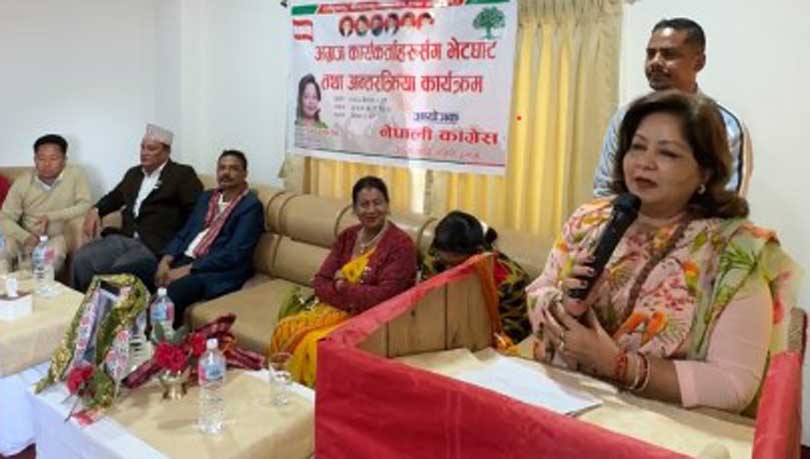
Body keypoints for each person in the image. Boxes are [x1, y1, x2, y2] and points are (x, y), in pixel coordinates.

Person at [528, 90, 798, 414]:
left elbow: (734, 384)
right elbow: (539, 291)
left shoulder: (734, 253)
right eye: (637, 147)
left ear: (705, 172)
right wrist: (565, 306)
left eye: (667, 153)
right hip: (562, 405)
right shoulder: (590, 220)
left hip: (662, 427)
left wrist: (618, 365)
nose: (644, 162)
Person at [270, 176, 417, 386]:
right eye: (364, 204)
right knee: (285, 328)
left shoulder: (401, 245)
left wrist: (342, 286)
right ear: (354, 209)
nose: (371, 210)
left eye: (377, 203)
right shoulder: (348, 236)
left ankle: (313, 401)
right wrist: (351, 297)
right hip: (336, 309)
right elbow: (321, 282)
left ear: (387, 206)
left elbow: (384, 298)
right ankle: (285, 392)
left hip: (375, 320)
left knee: (315, 344)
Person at [593, 18, 751, 198]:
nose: (655, 62)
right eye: (650, 54)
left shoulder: (726, 126)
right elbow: (605, 190)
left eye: (668, 54)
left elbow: (726, 202)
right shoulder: (626, 117)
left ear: (699, 62)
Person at [71, 124, 203, 292]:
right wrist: (95, 210)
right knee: (82, 259)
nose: (144, 152)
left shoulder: (182, 174)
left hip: (153, 246)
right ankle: (83, 305)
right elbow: (115, 197)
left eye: (151, 148)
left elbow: (197, 214)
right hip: (124, 238)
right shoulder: (134, 174)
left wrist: (174, 252)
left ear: (166, 152)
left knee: (120, 271)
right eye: (142, 147)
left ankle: (105, 308)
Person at [155, 150, 263, 326]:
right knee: (140, 271)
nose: (226, 172)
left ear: (245, 174)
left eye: (233, 168)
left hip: (216, 271)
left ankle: (160, 340)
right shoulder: (207, 197)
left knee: (173, 293)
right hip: (185, 259)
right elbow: (186, 231)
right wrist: (165, 259)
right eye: (222, 168)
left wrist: (188, 269)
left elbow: (234, 254)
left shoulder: (250, 206)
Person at [420, 211, 531, 343]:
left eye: (458, 266)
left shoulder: (510, 282)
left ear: (479, 253)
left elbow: (511, 335)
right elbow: (424, 307)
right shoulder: (435, 259)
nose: (449, 272)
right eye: (445, 264)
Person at [0, 134, 91, 273]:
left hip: (56, 237)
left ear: (64, 160)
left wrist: (50, 217)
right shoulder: (23, 181)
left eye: (53, 158)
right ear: (35, 160)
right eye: (41, 159)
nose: (47, 164)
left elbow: (85, 206)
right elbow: (5, 217)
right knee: (3, 253)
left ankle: (31, 281)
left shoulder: (75, 175)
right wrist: (26, 237)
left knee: (49, 260)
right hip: (25, 235)